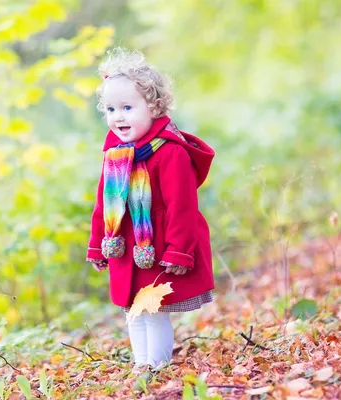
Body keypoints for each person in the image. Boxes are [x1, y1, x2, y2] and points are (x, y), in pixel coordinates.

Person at [86, 47, 216, 374]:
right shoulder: (115, 154)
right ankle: (141, 364)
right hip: (126, 244)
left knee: (153, 308)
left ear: (154, 106)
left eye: (128, 107)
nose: (119, 116)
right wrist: (97, 242)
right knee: (133, 310)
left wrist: (179, 251)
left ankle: (157, 368)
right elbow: (104, 204)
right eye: (111, 109)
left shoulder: (170, 154)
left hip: (157, 245)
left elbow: (182, 208)